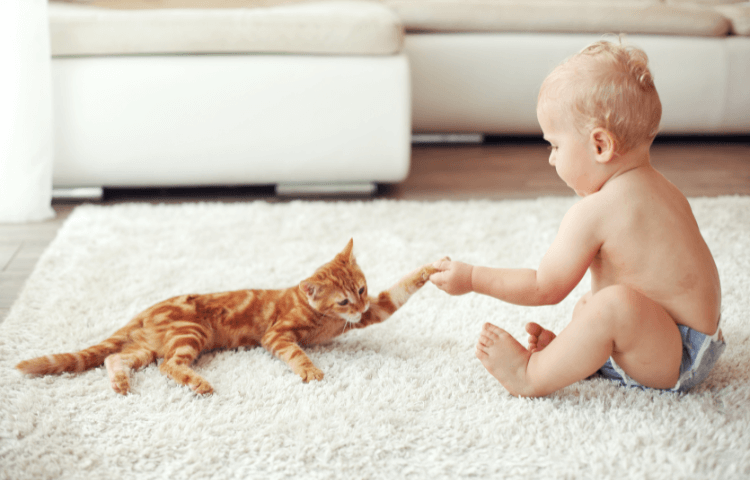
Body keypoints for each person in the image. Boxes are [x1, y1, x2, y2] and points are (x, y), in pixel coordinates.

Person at [429, 40, 725, 397]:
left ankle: (532, 374)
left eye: (555, 145)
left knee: (611, 306)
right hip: (690, 341)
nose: (552, 159)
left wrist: (473, 277)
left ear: (600, 146)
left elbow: (545, 286)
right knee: (592, 306)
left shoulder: (594, 211)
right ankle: (578, 357)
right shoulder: (666, 191)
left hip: (675, 355)